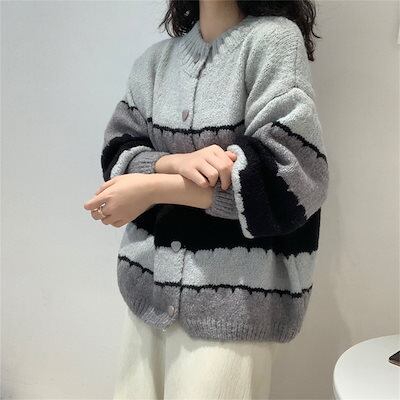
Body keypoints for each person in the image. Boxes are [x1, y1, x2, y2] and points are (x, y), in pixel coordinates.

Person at [83, 0, 329, 398]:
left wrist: (153, 187)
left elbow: (292, 175)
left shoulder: (273, 41)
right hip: (145, 292)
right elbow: (117, 154)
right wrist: (174, 163)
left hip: (233, 303)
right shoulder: (154, 63)